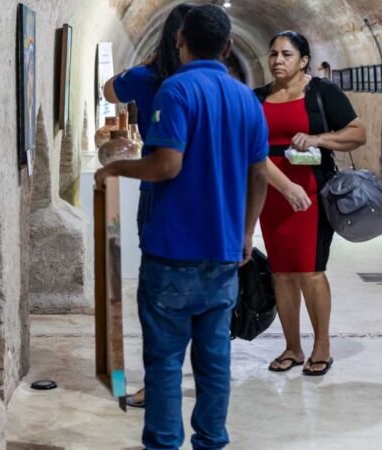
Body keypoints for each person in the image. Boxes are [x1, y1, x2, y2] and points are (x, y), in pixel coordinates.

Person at [95, 5, 269, 449]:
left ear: (179, 40)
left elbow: (167, 164)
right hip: (225, 252)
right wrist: (247, 232)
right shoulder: (247, 98)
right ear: (229, 46)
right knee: (214, 361)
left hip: (172, 251)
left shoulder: (176, 90)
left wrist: (117, 170)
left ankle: (164, 444)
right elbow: (258, 176)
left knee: (165, 362)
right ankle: (211, 442)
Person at [253, 31, 366, 376]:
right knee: (282, 273)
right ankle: (292, 347)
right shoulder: (257, 98)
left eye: (286, 54)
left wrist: (319, 138)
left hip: (311, 194)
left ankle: (322, 346)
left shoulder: (322, 92)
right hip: (271, 194)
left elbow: (357, 133)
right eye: (273, 54)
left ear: (303, 61)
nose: (277, 60)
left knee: (310, 271)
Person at [101, 2, 194, 410]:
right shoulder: (217, 87)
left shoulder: (148, 77)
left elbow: (109, 90)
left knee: (159, 298)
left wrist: (143, 63)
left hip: (159, 189)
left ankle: (157, 387)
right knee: (203, 301)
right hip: (207, 194)